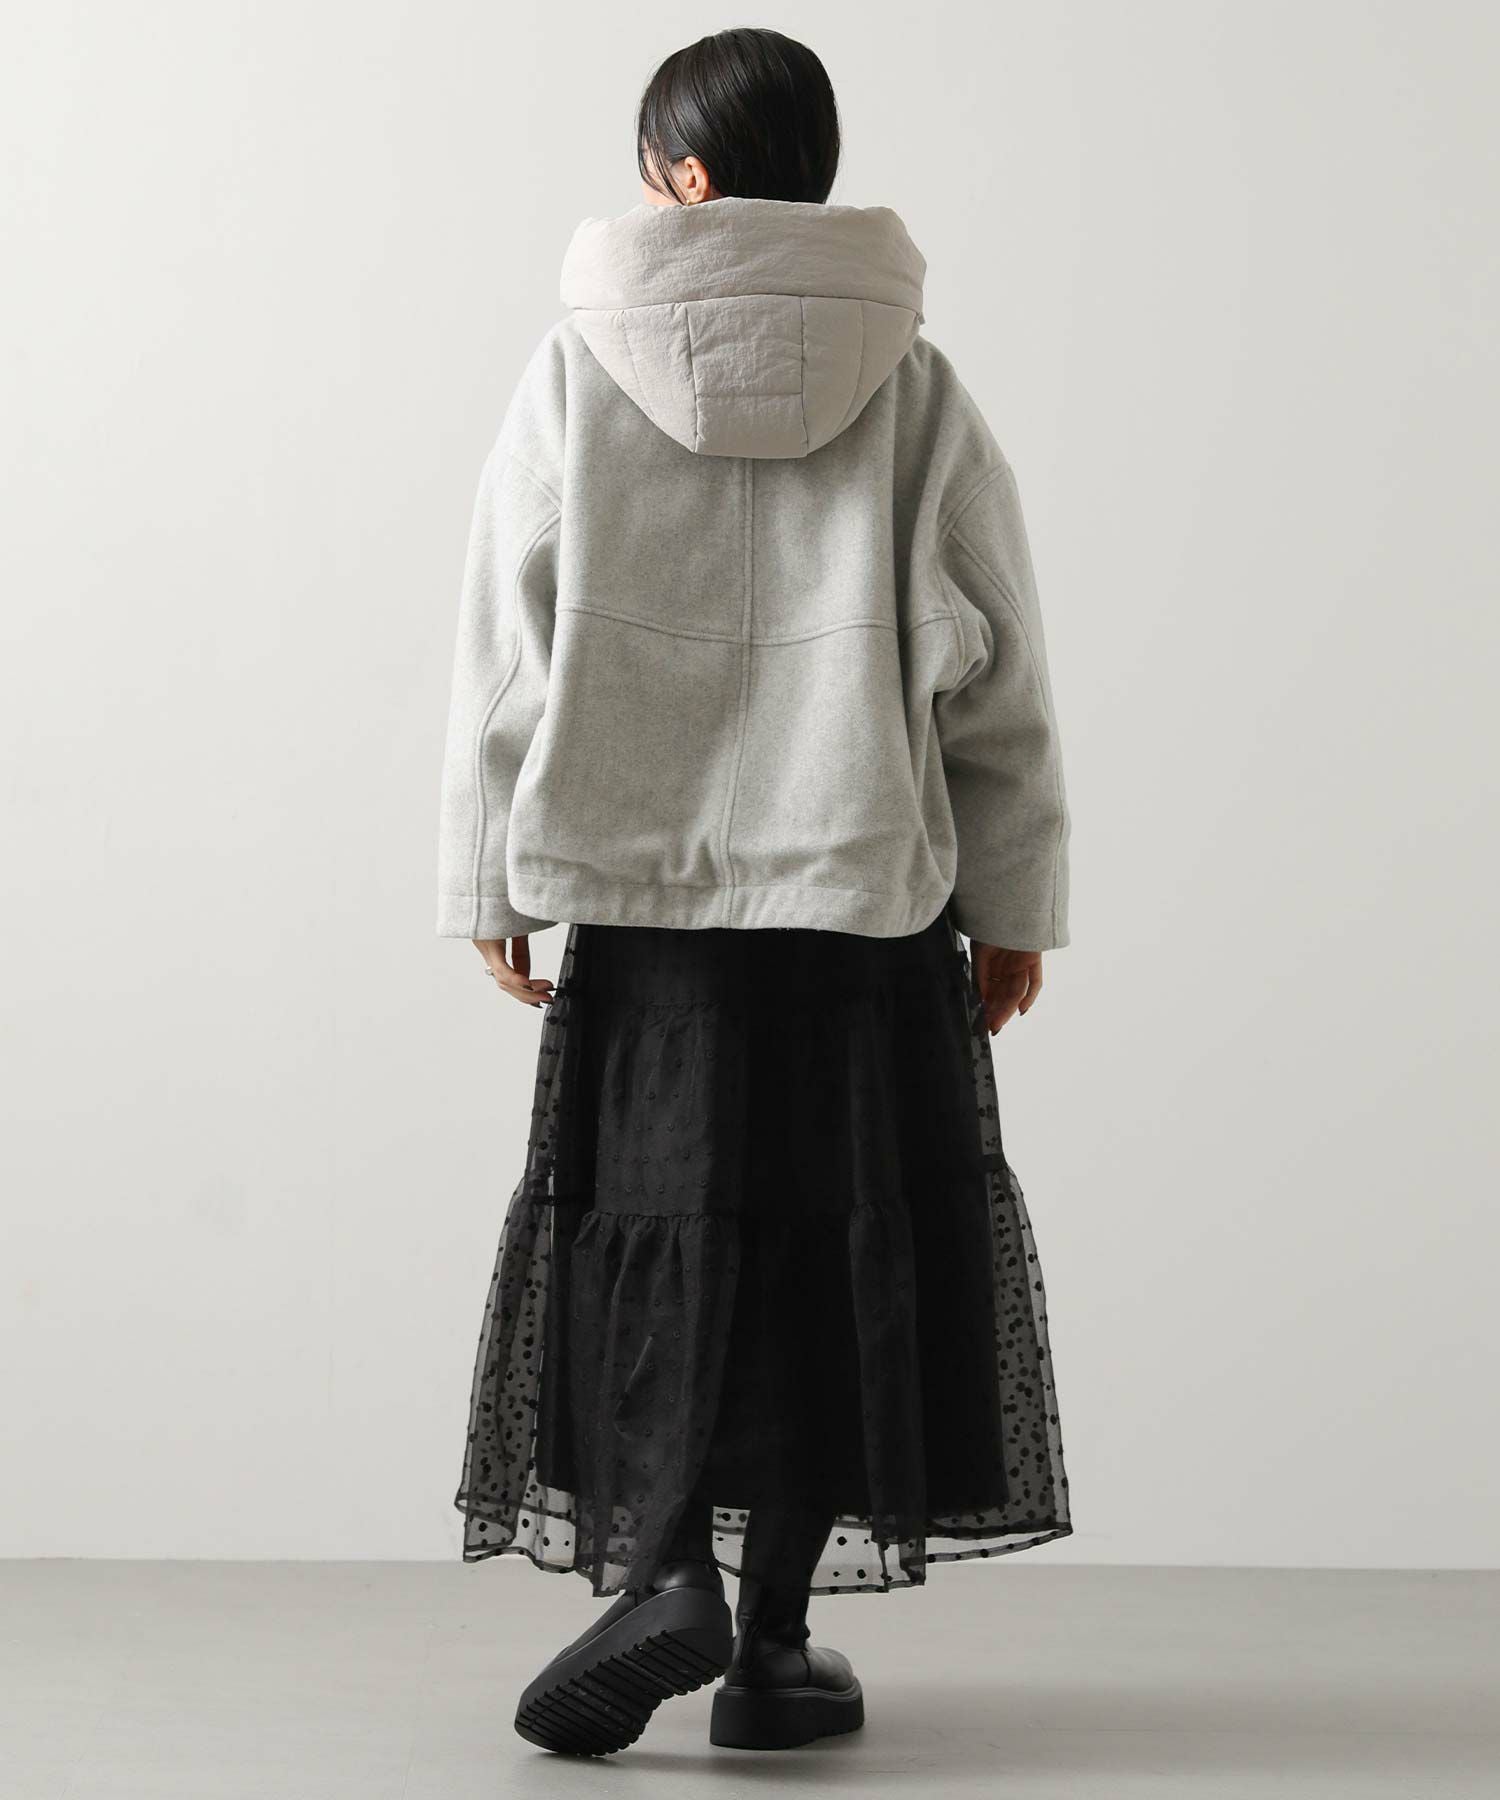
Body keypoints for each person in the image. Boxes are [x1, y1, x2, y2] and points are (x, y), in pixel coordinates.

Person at [435, 26, 1073, 1759]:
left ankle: (661, 1571)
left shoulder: (575, 374)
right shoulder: (916, 385)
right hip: (860, 906)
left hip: (647, 918)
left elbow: (504, 647)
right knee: (828, 1254)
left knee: (654, 1241)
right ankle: (774, 1651)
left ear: (690, 177)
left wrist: (486, 870)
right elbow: (997, 674)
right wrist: (1015, 899)